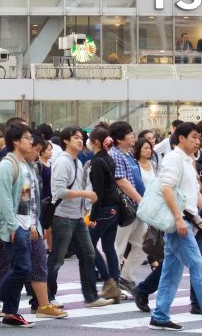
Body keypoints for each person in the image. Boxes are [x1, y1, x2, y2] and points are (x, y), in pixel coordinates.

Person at [148, 122, 202, 332]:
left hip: (185, 220)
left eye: (199, 138)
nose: (198, 141)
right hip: (179, 223)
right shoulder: (174, 158)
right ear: (181, 138)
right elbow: (166, 188)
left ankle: (160, 315)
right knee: (198, 267)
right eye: (194, 137)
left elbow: (194, 195)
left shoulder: (188, 160)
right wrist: (178, 218)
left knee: (171, 271)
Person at [0, 123, 62, 326]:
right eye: (27, 138)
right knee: (22, 268)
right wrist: (12, 226)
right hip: (14, 226)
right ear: (16, 142)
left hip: (27, 224)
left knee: (17, 268)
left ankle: (10, 313)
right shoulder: (7, 164)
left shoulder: (26, 166)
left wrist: (33, 223)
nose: (31, 141)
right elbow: (4, 199)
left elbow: (27, 200)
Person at [47, 127, 113, 308]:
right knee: (57, 260)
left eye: (82, 137)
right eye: (75, 137)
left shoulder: (76, 161)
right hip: (62, 217)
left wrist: (85, 211)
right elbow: (59, 192)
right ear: (66, 140)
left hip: (76, 217)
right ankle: (47, 297)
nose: (80, 140)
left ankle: (91, 297)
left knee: (88, 254)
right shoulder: (63, 162)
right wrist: (84, 193)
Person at [110, 121, 149, 291]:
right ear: (119, 138)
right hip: (125, 209)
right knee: (117, 247)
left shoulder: (128, 154)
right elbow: (121, 181)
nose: (133, 136)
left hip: (137, 209)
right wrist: (140, 199)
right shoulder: (115, 154)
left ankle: (125, 277)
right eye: (129, 133)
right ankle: (111, 283)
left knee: (145, 244)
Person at [86, 127, 123, 300]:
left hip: (102, 210)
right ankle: (114, 284)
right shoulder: (108, 159)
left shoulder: (97, 162)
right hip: (114, 209)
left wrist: (92, 217)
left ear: (94, 141)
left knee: (88, 246)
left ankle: (109, 282)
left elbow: (97, 192)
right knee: (109, 247)